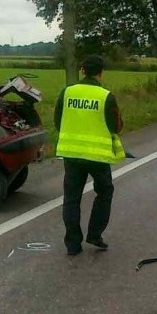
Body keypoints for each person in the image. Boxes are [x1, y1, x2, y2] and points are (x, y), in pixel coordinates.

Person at [54, 55, 125, 256]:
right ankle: (95, 234)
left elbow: (58, 121)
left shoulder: (67, 92)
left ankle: (73, 244)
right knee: (104, 192)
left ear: (82, 71)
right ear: (101, 73)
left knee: (71, 198)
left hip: (72, 154)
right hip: (97, 156)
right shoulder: (106, 96)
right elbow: (116, 126)